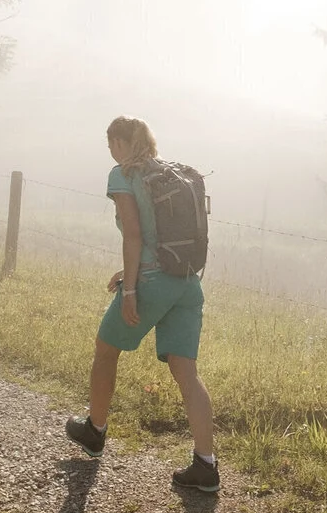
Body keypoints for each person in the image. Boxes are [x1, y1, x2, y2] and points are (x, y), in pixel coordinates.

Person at [65, 116, 219, 493]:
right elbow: (157, 236)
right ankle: (206, 465)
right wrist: (128, 272)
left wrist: (131, 290)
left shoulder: (123, 175)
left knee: (106, 349)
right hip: (186, 282)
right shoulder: (171, 173)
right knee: (187, 371)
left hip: (151, 283)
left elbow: (133, 235)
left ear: (120, 143)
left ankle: (95, 430)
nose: (110, 151)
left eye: (110, 144)